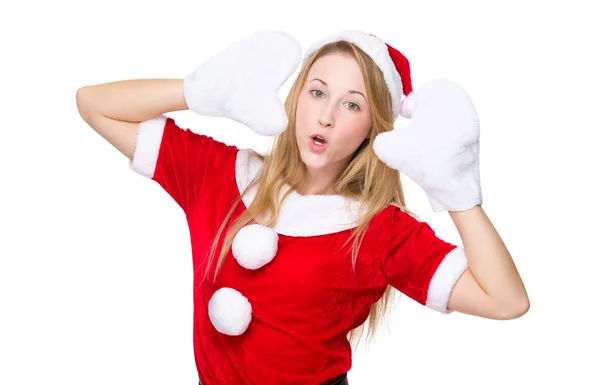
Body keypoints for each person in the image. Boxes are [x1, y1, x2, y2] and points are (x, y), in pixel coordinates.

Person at [76, 30, 529, 385]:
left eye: (352, 104)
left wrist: (457, 192)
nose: (327, 116)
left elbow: (506, 301)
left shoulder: (379, 230)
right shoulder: (218, 175)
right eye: (317, 92)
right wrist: (200, 92)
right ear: (295, 100)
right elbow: (94, 104)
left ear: (373, 129)